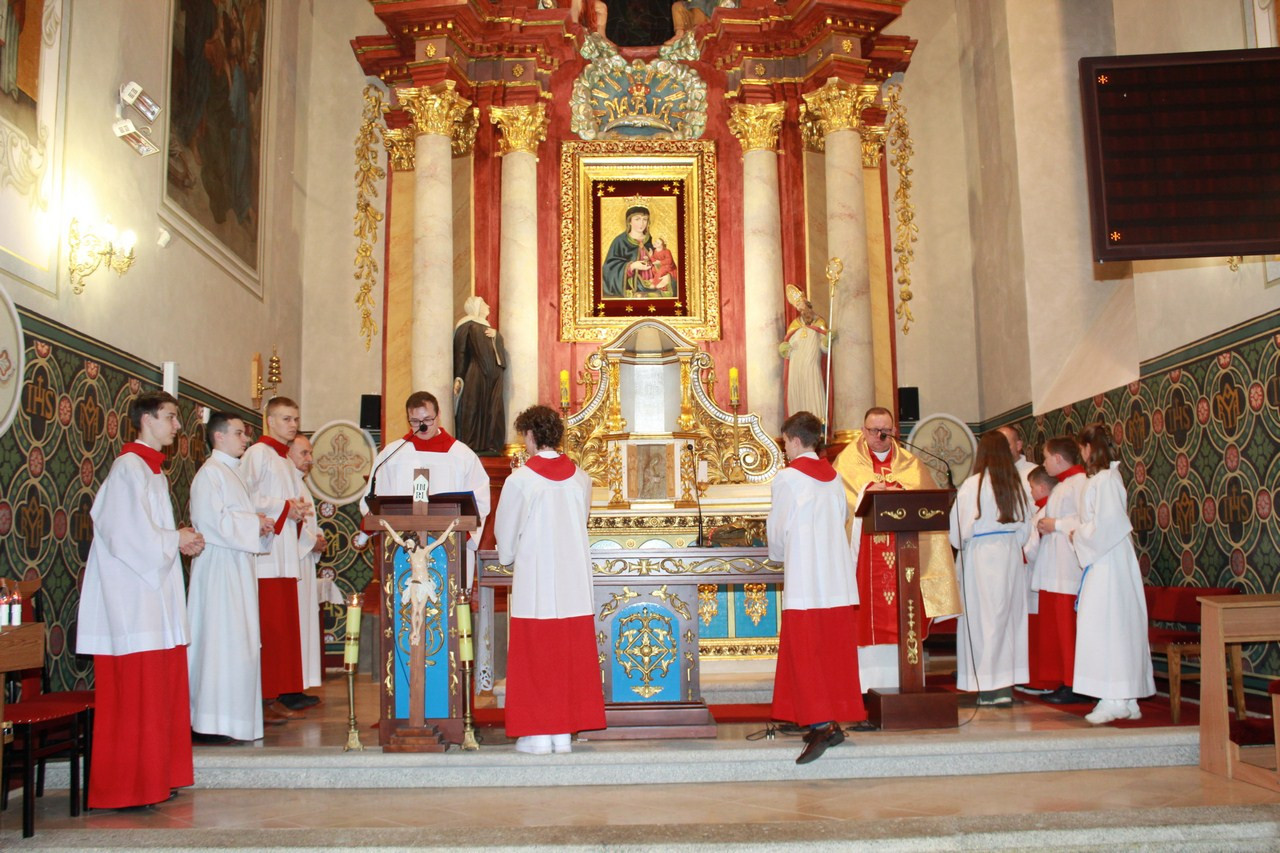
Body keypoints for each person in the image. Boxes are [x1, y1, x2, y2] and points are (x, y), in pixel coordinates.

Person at [76, 391, 205, 809]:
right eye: (170, 417)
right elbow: (124, 535)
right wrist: (174, 539)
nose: (177, 426)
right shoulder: (127, 469)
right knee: (135, 696)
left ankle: (157, 777)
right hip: (131, 604)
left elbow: (148, 534)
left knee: (158, 692)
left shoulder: (153, 472)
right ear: (146, 419)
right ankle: (128, 787)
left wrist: (177, 539)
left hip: (153, 600)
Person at [494, 405, 604, 755]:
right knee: (568, 655)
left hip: (536, 578)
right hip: (573, 580)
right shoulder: (580, 478)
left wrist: (507, 555)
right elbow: (581, 519)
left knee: (536, 654)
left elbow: (506, 533)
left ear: (530, 435)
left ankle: (539, 734)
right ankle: (562, 733)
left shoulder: (521, 480)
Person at [833, 406, 959, 690]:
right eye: (874, 430)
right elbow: (839, 504)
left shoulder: (912, 464)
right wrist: (866, 493)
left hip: (905, 555)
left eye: (886, 431)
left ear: (894, 431)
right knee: (864, 619)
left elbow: (927, 506)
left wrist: (899, 492)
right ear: (863, 431)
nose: (880, 436)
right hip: (865, 558)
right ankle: (865, 685)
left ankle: (907, 681)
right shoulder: (846, 462)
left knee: (905, 614)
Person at [768, 411, 866, 763]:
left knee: (807, 652)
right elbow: (842, 517)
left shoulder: (787, 479)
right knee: (831, 651)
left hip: (806, 578)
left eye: (785, 443)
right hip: (835, 577)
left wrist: (779, 556)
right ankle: (824, 718)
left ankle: (823, 725)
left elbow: (778, 530)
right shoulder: (835, 477)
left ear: (796, 440)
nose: (785, 449)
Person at [187, 411, 273, 743]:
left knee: (239, 642)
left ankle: (234, 721)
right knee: (219, 642)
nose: (246, 438)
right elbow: (213, 523)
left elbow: (236, 519)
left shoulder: (231, 473)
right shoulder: (210, 474)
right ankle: (210, 722)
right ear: (218, 436)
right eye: (239, 433)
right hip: (219, 569)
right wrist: (254, 524)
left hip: (237, 566)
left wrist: (258, 524)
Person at [1070, 424, 1155, 725]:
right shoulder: (1103, 479)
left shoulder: (1105, 479)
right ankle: (1125, 698)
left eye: (1082, 449)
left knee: (1107, 626)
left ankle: (1115, 699)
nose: (1081, 454)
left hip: (1108, 560)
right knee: (1113, 625)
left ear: (1088, 448)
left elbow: (1108, 525)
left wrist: (1077, 535)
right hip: (1107, 559)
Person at [360, 391, 491, 584]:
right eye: (415, 421)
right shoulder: (392, 455)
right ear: (408, 419)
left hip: (450, 545)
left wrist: (464, 534)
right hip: (403, 545)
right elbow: (372, 500)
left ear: (439, 416)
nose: (422, 426)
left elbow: (480, 500)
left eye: (428, 419)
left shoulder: (462, 455)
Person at [241, 397, 314, 718]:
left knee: (282, 630)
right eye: (286, 419)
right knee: (268, 629)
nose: (293, 424)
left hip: (285, 557)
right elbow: (246, 496)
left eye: (295, 419)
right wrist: (286, 507)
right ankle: (263, 697)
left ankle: (276, 695)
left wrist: (294, 510)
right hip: (266, 558)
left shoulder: (284, 460)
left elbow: (285, 502)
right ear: (269, 421)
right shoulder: (258, 453)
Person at [948, 432, 1033, 706]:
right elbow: (1026, 529)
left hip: (981, 557)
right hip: (1009, 556)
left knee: (981, 621)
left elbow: (956, 531)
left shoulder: (973, 485)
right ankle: (1004, 687)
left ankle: (985, 687)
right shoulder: (1015, 484)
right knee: (1007, 619)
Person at [1027, 437, 1090, 704]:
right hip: (1053, 568)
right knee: (1056, 630)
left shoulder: (1082, 484)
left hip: (1068, 569)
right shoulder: (1063, 485)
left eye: (1045, 457)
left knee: (1068, 629)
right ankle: (1064, 679)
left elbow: (1088, 520)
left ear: (1058, 458)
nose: (1043, 463)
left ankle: (1076, 684)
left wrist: (1057, 524)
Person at [381, 517, 459, 647]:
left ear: (414, 541)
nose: (407, 545)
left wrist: (451, 525)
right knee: (414, 609)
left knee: (420, 610)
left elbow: (440, 540)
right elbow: (397, 539)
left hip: (424, 585)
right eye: (407, 543)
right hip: (414, 583)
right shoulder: (411, 554)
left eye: (409, 542)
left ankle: (418, 632)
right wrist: (386, 525)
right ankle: (414, 632)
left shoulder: (425, 551)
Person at [289, 434, 328, 695]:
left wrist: (318, 538)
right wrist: (311, 542)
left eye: (310, 453)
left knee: (305, 623)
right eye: (304, 453)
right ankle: (292, 687)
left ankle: (299, 685)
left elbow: (308, 523)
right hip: (292, 562)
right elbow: (286, 521)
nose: (309, 459)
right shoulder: (286, 481)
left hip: (303, 561)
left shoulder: (299, 483)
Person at [453, 296, 508, 455]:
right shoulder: (466, 326)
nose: (488, 306)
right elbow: (461, 352)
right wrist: (459, 376)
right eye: (484, 304)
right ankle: (470, 444)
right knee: (473, 407)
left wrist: (496, 336)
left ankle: (490, 444)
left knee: (493, 409)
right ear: (475, 307)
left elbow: (500, 356)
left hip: (494, 377)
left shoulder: (491, 329)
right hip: (475, 373)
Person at [779, 284, 829, 421]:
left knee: (813, 392)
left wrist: (827, 341)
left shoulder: (819, 322)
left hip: (811, 366)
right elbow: (788, 350)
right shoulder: (794, 325)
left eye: (802, 305)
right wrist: (785, 349)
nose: (801, 310)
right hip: (796, 367)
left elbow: (824, 348)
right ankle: (796, 424)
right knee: (797, 395)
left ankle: (817, 423)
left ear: (807, 304)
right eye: (798, 307)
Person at [601, 203, 655, 298]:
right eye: (637, 219)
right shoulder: (620, 241)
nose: (641, 223)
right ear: (629, 221)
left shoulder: (650, 240)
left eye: (645, 219)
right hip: (630, 286)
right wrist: (632, 266)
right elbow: (609, 268)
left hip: (653, 283)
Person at [997, 425, 1036, 490]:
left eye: (1005, 445)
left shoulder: (1034, 473)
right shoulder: (990, 477)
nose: (1000, 449)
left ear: (1018, 445)